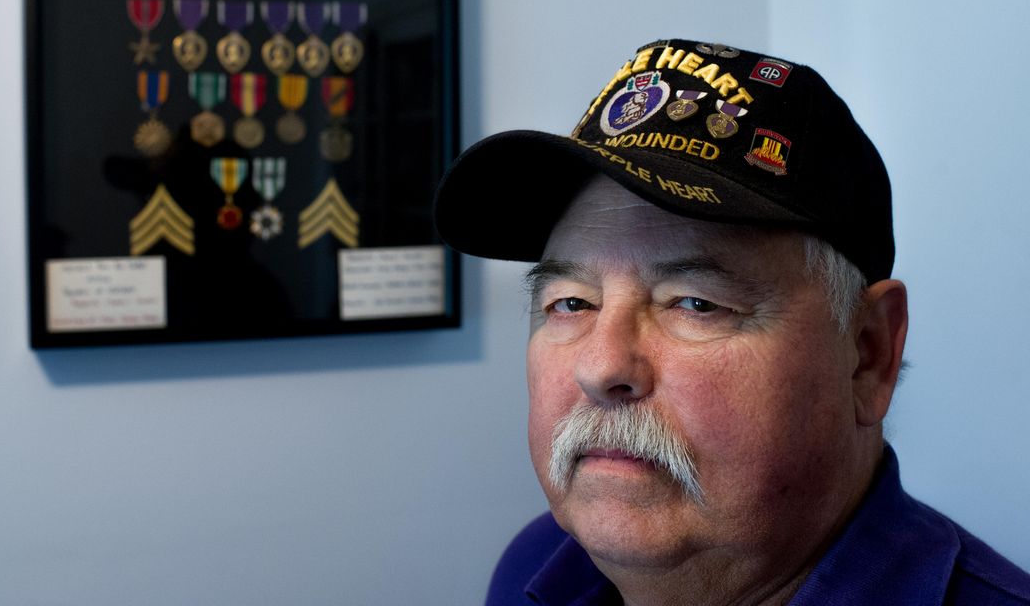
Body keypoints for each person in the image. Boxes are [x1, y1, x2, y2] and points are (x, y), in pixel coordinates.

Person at [433, 39, 1030, 605]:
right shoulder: (537, 566)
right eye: (570, 303)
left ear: (869, 353)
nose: (601, 366)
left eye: (695, 303)